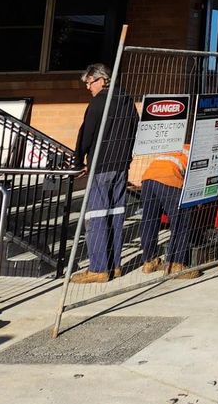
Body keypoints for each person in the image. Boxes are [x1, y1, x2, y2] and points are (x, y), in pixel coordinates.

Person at [71, 62, 138, 284]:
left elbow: (86, 134)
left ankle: (99, 268)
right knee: (116, 213)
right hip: (121, 165)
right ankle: (114, 265)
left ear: (101, 80)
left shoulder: (99, 102)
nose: (88, 87)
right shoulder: (127, 101)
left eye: (89, 82)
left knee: (97, 216)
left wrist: (78, 161)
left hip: (101, 166)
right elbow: (134, 129)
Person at [139, 142, 200, 278]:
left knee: (149, 220)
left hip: (148, 179)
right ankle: (176, 265)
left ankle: (149, 261)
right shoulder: (197, 149)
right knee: (181, 220)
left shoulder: (175, 145)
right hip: (170, 178)